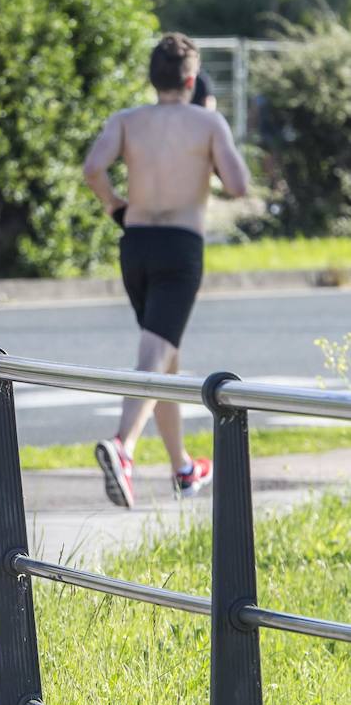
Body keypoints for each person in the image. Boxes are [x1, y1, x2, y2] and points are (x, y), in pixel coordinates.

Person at [84, 33, 249, 509]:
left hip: (135, 244)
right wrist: (210, 150)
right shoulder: (208, 122)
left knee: (164, 354)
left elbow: (94, 167)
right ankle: (125, 447)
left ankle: (181, 467)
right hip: (180, 247)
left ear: (153, 78)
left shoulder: (127, 121)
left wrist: (116, 206)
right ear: (192, 79)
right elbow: (238, 185)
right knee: (155, 351)